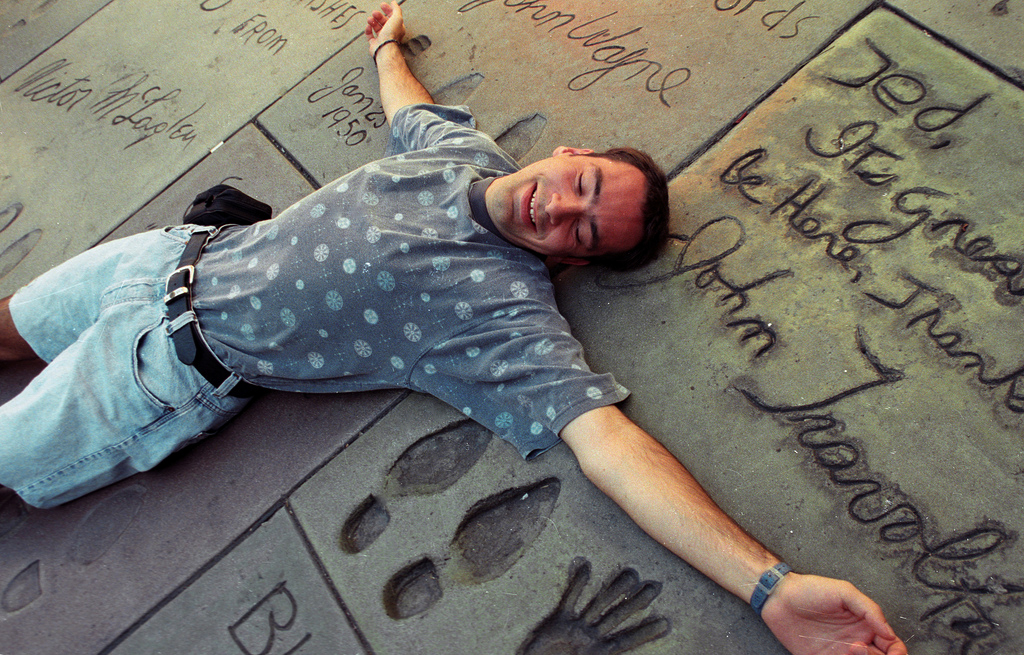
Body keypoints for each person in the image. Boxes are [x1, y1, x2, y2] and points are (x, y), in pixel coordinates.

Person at [0, 4, 906, 653]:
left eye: (583, 231)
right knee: (6, 327)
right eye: (582, 186)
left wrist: (770, 585)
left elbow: (612, 448)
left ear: (573, 264)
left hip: (160, 374)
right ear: (569, 154)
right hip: (164, 255)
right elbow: (408, 107)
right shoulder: (461, 152)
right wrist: (387, 43)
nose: (561, 209)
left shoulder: (500, 318)